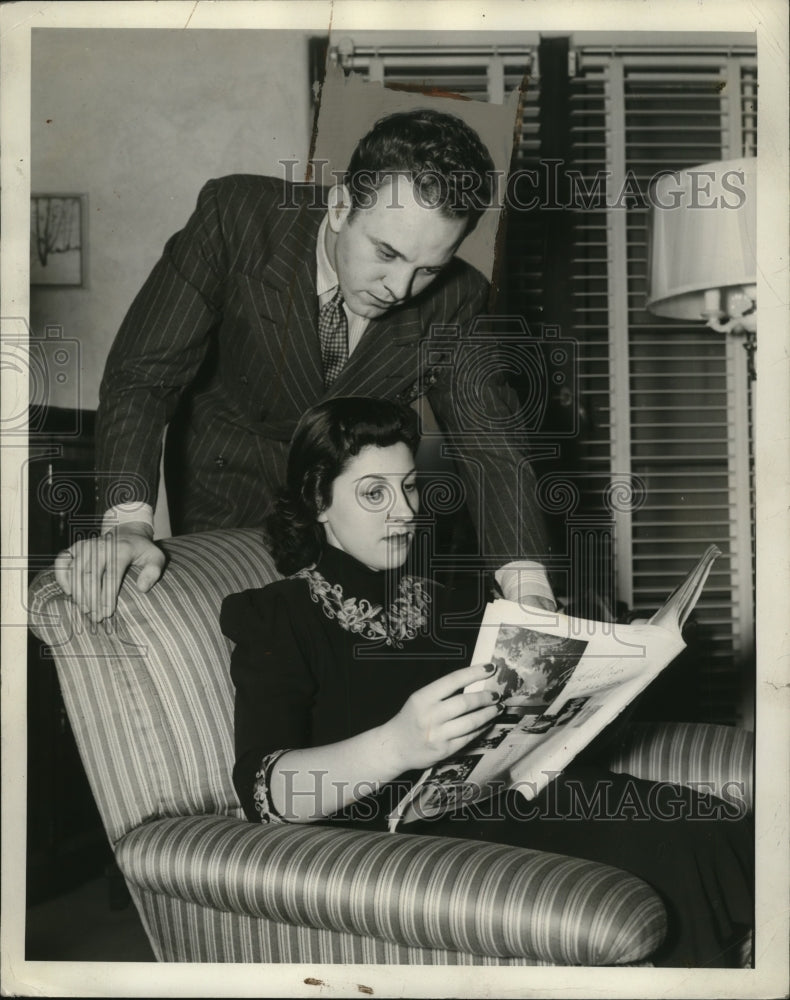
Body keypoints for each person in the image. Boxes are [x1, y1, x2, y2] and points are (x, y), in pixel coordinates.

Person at [221, 397, 753, 968]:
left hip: (513, 798)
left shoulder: (449, 602)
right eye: (374, 493)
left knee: (706, 822)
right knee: (662, 847)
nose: (404, 512)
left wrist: (622, 671)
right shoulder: (276, 615)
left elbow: (532, 727)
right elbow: (263, 791)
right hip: (406, 841)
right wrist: (395, 746)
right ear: (318, 499)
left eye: (410, 488)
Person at [54, 108, 556, 623]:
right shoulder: (237, 219)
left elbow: (492, 447)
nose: (400, 289)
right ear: (340, 208)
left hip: (352, 521)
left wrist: (528, 587)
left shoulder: (461, 298)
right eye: (385, 252)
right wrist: (128, 523)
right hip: (224, 492)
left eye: (428, 269)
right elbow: (143, 377)